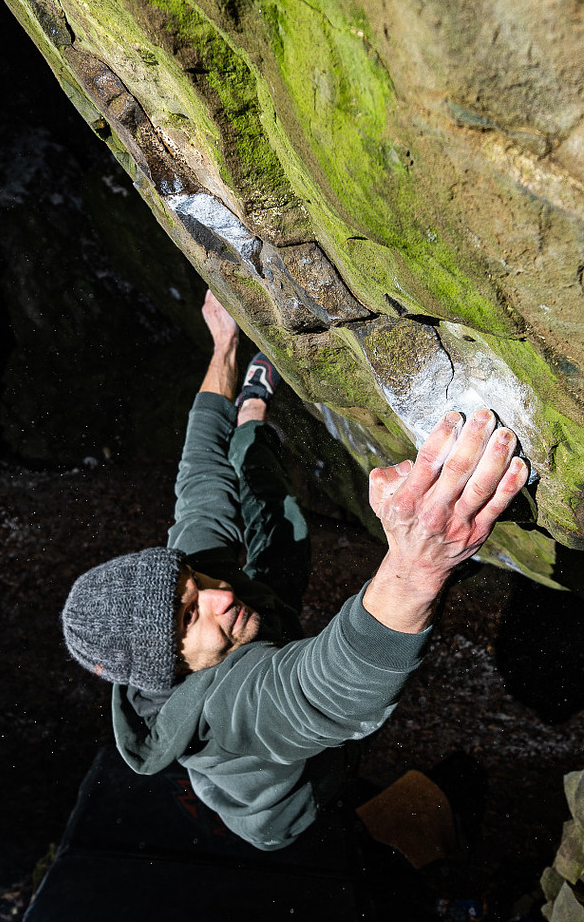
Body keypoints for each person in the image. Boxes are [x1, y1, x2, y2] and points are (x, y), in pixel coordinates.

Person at [62, 291, 528, 850]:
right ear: (173, 667)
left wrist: (224, 345)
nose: (218, 594)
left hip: (264, 630)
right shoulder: (229, 713)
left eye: (195, 581)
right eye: (190, 616)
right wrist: (419, 562)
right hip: (302, 811)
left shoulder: (193, 587)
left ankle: (253, 420)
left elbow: (201, 475)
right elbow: (323, 690)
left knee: (281, 533)